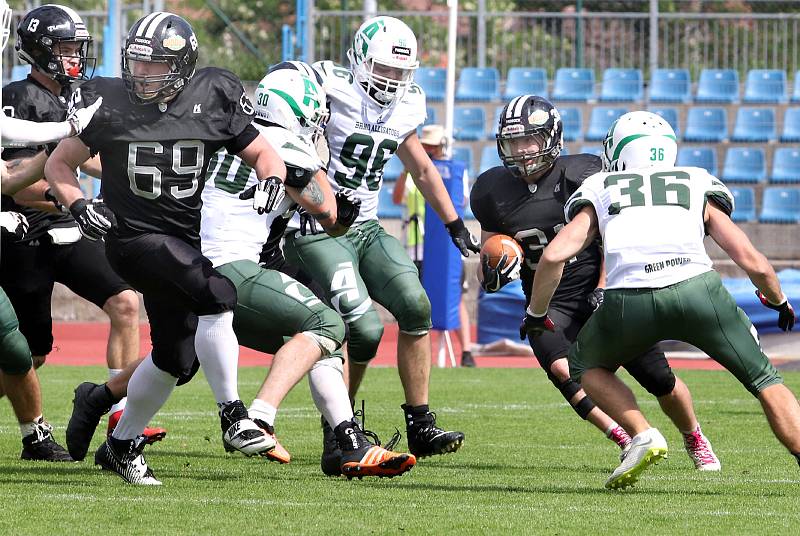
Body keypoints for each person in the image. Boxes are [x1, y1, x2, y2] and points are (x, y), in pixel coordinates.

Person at [65, 63, 417, 479]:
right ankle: (257, 417)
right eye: (316, 115)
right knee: (324, 324)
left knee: (180, 356)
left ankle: (345, 439)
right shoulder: (281, 144)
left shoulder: (216, 130)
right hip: (228, 265)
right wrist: (343, 209)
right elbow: (330, 214)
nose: (318, 123)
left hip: (192, 256)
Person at [45, 12, 288, 485]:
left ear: (182, 65)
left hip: (181, 239)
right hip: (129, 237)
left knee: (176, 357)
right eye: (137, 63)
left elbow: (262, 152)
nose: (141, 74)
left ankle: (120, 445)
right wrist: (77, 205)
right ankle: (234, 415)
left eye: (155, 65)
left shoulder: (213, 94)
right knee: (218, 293)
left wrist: (272, 179)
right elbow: (59, 165)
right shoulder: (109, 100)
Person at [529, 110, 800, 489]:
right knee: (765, 380)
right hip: (698, 291)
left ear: (618, 150)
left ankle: (642, 433)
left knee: (585, 367)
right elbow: (750, 258)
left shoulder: (602, 185)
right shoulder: (696, 179)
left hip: (629, 300)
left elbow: (556, 255)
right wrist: (777, 299)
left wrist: (537, 313)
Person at [472, 96, 720, 469]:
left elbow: (614, 236)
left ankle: (694, 436)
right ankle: (627, 436)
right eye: (513, 142)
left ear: (551, 137)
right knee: (562, 368)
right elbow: (486, 260)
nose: (521, 151)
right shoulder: (491, 190)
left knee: (658, 378)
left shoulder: (584, 175)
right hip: (547, 301)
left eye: (529, 141)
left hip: (598, 287)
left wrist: (604, 286)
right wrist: (493, 268)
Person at [283, 16, 478, 466]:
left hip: (367, 227)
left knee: (416, 306)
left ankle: (420, 423)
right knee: (363, 326)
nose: (390, 80)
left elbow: (423, 168)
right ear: (358, 60)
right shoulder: (331, 85)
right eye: (383, 69)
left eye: (398, 72)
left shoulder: (408, 104)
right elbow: (284, 94)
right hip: (319, 227)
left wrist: (453, 223)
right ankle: (340, 429)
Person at [1, 4, 157, 444]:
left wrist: (131, 180)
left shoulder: (74, 95)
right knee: (28, 356)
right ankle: (33, 428)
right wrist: (71, 201)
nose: (75, 56)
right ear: (39, 50)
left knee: (125, 301)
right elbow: (15, 183)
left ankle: (120, 416)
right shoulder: (20, 97)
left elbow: (83, 158)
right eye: (66, 47)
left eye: (77, 47)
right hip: (25, 231)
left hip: (67, 226)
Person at [392, 124, 475, 367]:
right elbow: (398, 198)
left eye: (432, 145)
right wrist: (408, 169)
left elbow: (459, 201)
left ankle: (466, 350)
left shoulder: (454, 172)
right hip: (416, 245)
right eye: (425, 145)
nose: (428, 149)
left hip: (445, 247)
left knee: (454, 296)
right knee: (416, 299)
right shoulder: (411, 172)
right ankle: (419, 350)